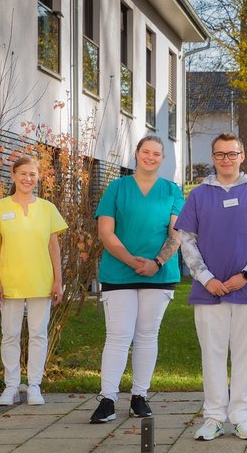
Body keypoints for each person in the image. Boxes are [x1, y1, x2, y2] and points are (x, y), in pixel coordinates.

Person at [176, 132, 247, 442]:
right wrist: (205, 277)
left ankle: (242, 416)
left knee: (245, 354)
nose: (226, 159)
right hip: (208, 291)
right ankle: (213, 417)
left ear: (242, 156)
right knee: (212, 354)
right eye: (220, 154)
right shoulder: (198, 195)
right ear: (213, 157)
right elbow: (187, 240)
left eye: (232, 153)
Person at [90, 135, 184, 424]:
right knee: (118, 336)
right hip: (119, 272)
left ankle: (139, 397)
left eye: (157, 153)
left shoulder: (172, 190)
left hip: (159, 273)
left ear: (162, 159)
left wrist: (156, 262)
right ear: (136, 154)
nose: (151, 157)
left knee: (146, 336)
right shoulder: (117, 188)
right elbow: (105, 231)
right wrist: (131, 261)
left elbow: (177, 233)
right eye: (146, 152)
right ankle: (107, 399)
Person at [0, 156, 68, 406]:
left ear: (37, 177)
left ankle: (34, 387)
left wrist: (57, 281)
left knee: (38, 335)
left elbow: (54, 248)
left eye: (32, 174)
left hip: (42, 280)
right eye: (23, 174)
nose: (28, 179)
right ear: (13, 174)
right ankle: (10, 387)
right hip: (10, 282)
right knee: (10, 334)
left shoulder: (48, 208)